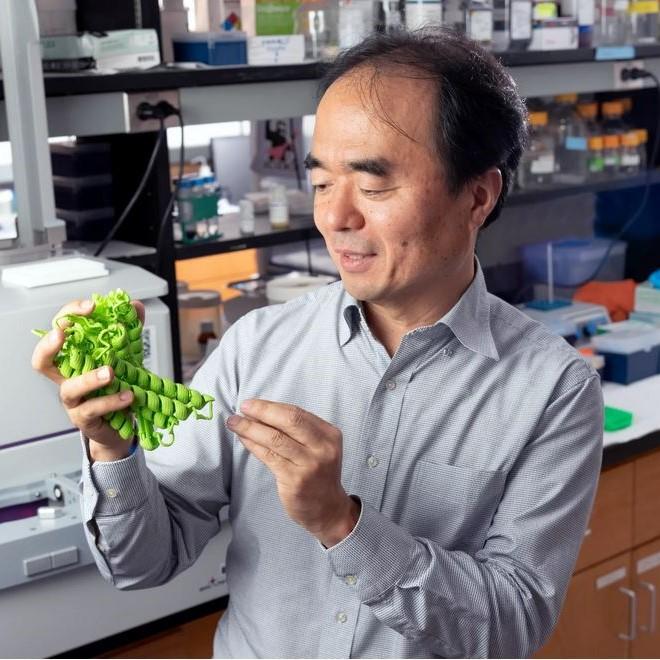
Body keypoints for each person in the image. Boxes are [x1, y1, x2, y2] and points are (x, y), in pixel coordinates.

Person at [32, 28, 603, 658]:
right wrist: (111, 448)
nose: (335, 217)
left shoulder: (553, 390)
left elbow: (511, 624)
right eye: (323, 182)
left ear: (477, 196)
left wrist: (342, 522)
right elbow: (141, 564)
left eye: (373, 183)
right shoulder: (256, 347)